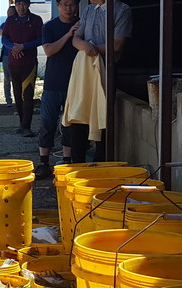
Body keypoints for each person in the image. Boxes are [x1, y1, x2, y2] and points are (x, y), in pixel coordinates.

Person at [67, 0, 132, 163]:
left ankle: (101, 163)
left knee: (102, 115)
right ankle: (77, 163)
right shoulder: (88, 10)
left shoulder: (122, 10)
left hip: (105, 69)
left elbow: (117, 44)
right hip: (84, 69)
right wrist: (85, 46)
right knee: (79, 111)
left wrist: (93, 49)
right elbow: (76, 39)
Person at [33, 0, 80, 180]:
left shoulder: (82, 25)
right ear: (58, 5)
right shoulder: (50, 27)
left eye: (72, 4)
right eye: (65, 4)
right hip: (53, 82)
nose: (69, 8)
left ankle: (67, 160)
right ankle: (44, 162)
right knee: (47, 123)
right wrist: (68, 35)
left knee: (70, 124)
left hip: (75, 83)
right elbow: (49, 50)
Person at [1, 0, 43, 137]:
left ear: (29, 4)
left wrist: (23, 46)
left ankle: (27, 126)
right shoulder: (11, 20)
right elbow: (4, 38)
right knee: (17, 95)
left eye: (24, 4)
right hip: (13, 63)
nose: (21, 7)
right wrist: (13, 47)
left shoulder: (36, 20)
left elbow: (41, 39)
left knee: (28, 95)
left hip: (29, 64)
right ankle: (22, 122)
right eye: (18, 4)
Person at [0, 6, 17, 107]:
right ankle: (8, 98)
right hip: (6, 54)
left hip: (16, 53)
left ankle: (17, 97)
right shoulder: (4, 24)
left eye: (11, 13)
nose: (9, 15)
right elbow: (1, 33)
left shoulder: (18, 24)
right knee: (7, 76)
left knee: (16, 77)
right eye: (8, 13)